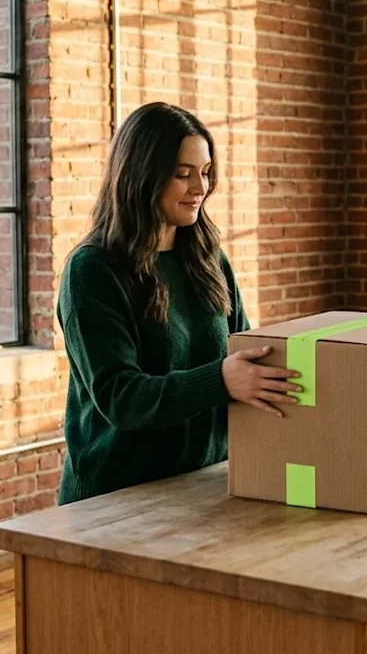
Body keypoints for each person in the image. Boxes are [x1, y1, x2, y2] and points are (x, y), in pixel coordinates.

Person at [55, 102, 301, 505]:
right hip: (114, 501)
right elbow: (121, 397)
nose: (199, 188)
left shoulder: (208, 258)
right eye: (182, 174)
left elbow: (246, 356)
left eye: (205, 173)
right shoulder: (93, 270)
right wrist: (220, 380)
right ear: (140, 175)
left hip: (204, 485)